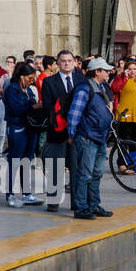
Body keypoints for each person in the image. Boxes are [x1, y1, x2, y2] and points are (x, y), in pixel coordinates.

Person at [66, 57, 116, 220]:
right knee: (85, 174)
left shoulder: (100, 86)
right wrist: (72, 135)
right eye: (106, 70)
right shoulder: (85, 88)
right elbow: (74, 113)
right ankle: (81, 207)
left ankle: (94, 205)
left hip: (99, 137)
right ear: (97, 72)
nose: (108, 73)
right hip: (87, 137)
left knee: (97, 173)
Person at [39, 49, 85, 212]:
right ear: (57, 63)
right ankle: (53, 201)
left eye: (69, 61)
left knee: (76, 168)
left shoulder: (81, 80)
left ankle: (77, 202)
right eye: (63, 61)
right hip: (56, 130)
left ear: (74, 62)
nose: (66, 63)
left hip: (76, 132)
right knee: (55, 167)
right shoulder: (49, 82)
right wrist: (63, 115)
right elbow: (47, 106)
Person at [2, 62, 42, 207]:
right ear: (21, 76)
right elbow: (15, 109)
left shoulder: (29, 90)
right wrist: (33, 106)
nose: (32, 81)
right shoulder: (12, 89)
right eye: (29, 78)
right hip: (17, 127)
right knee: (14, 161)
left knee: (27, 160)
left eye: (33, 79)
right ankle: (10, 195)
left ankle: (26, 193)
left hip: (30, 128)